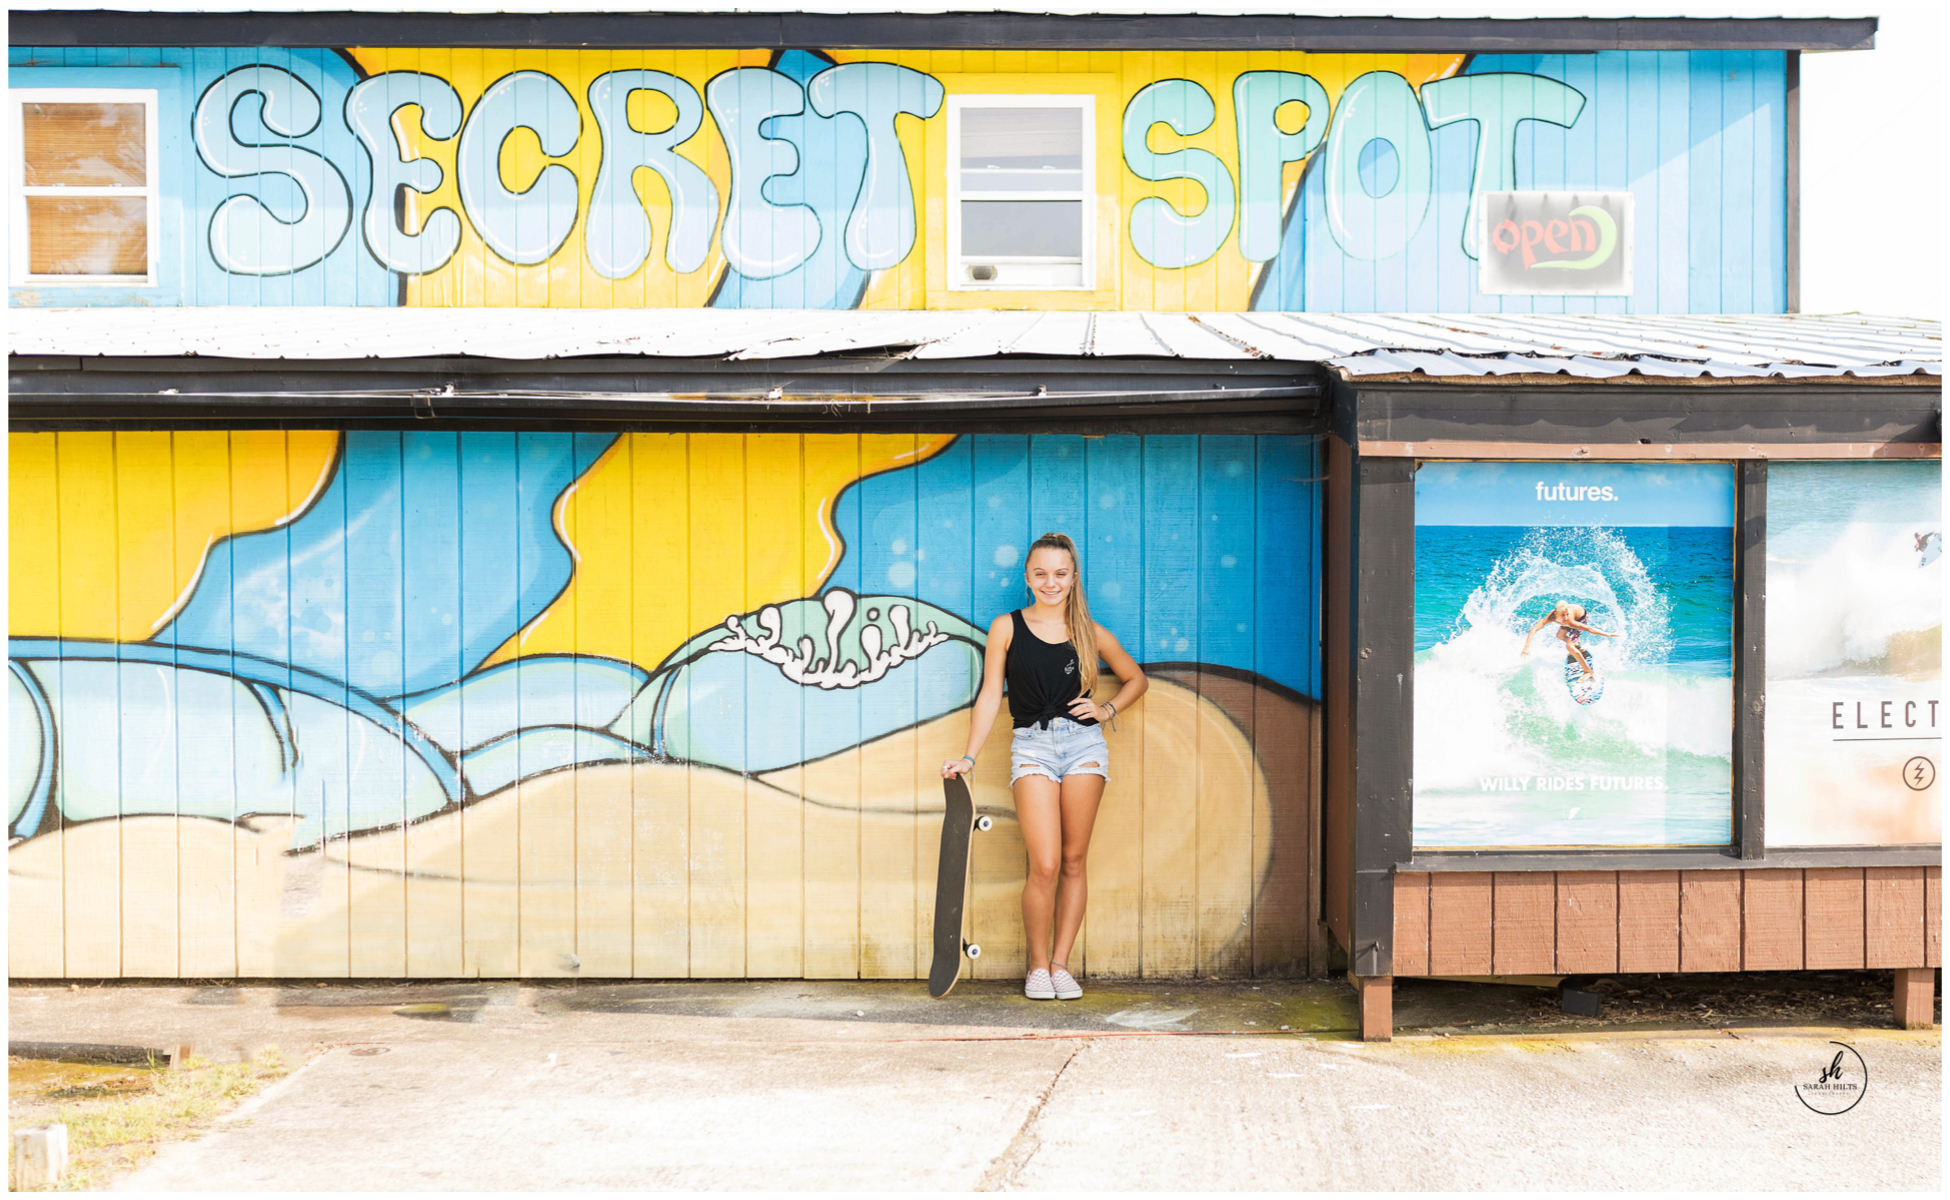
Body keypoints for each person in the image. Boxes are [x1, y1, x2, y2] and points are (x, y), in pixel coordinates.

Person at [942, 532, 1147, 1001]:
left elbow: (1136, 679)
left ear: (1074, 579)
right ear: (1028, 578)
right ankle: (1036, 968)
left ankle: (1060, 966)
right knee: (1046, 863)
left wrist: (1108, 710)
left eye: (1060, 573)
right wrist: (969, 757)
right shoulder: (1006, 627)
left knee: (1074, 860)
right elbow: (991, 694)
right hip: (1031, 747)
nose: (1050, 582)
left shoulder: (1090, 633)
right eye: (1040, 573)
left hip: (1084, 748)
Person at [1520, 600, 1616, 679]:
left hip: (1580, 617)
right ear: (1556, 613)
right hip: (1569, 617)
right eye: (1562, 615)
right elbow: (1534, 629)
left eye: (1567, 614)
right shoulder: (1551, 617)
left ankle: (1588, 671)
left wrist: (1608, 634)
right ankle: (1578, 646)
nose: (1565, 617)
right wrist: (1526, 647)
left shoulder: (1570, 621)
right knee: (1560, 635)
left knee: (1569, 646)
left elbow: (1590, 629)